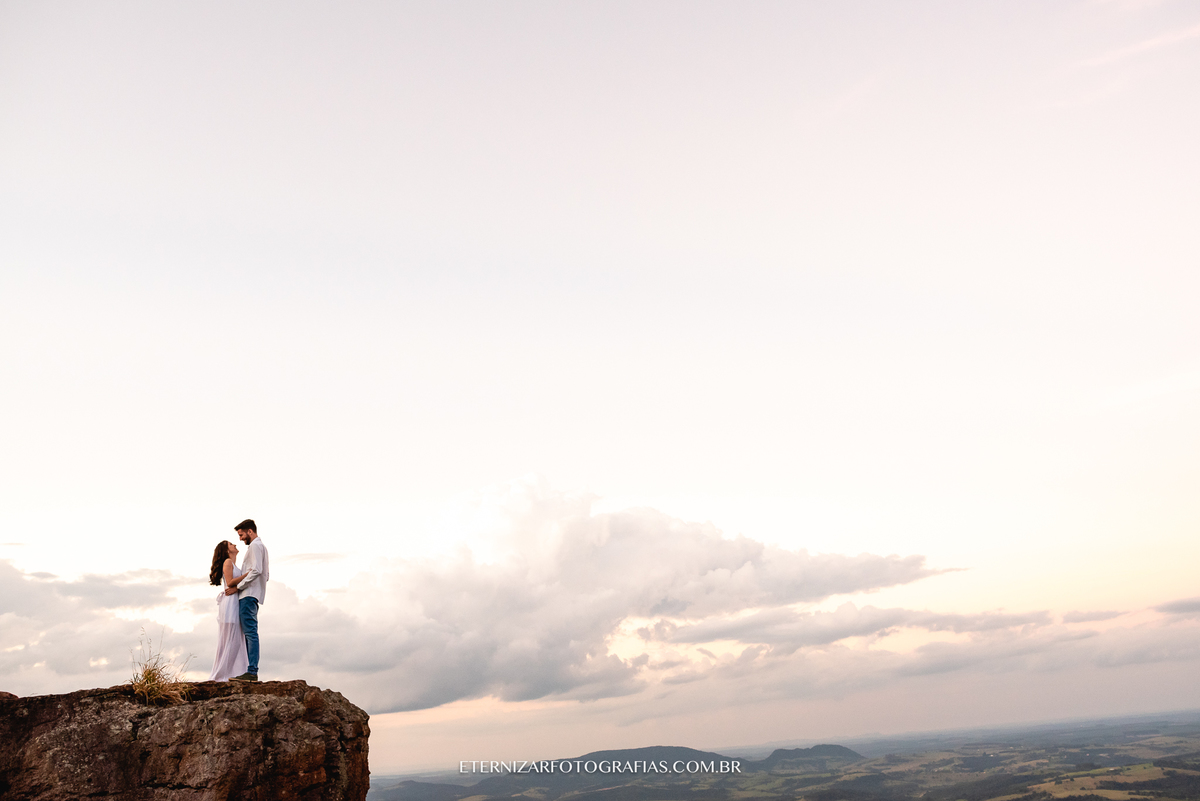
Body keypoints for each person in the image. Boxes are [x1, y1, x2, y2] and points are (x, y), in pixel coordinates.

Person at [228, 518, 269, 682]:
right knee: (249, 633)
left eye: (241, 534)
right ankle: (248, 669)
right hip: (252, 594)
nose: (240, 538)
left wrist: (239, 587)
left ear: (250, 531)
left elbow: (257, 570)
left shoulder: (255, 546)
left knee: (250, 633)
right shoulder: (261, 547)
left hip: (248, 595)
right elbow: (265, 574)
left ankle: (252, 671)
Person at [206, 540, 249, 681]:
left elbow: (234, 585)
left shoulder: (233, 564)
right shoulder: (228, 562)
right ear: (226, 550)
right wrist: (248, 575)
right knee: (231, 638)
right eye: (231, 544)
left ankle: (232, 672)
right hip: (230, 603)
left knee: (236, 638)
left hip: (234, 600)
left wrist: (238, 586)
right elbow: (230, 582)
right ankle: (222, 674)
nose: (235, 545)